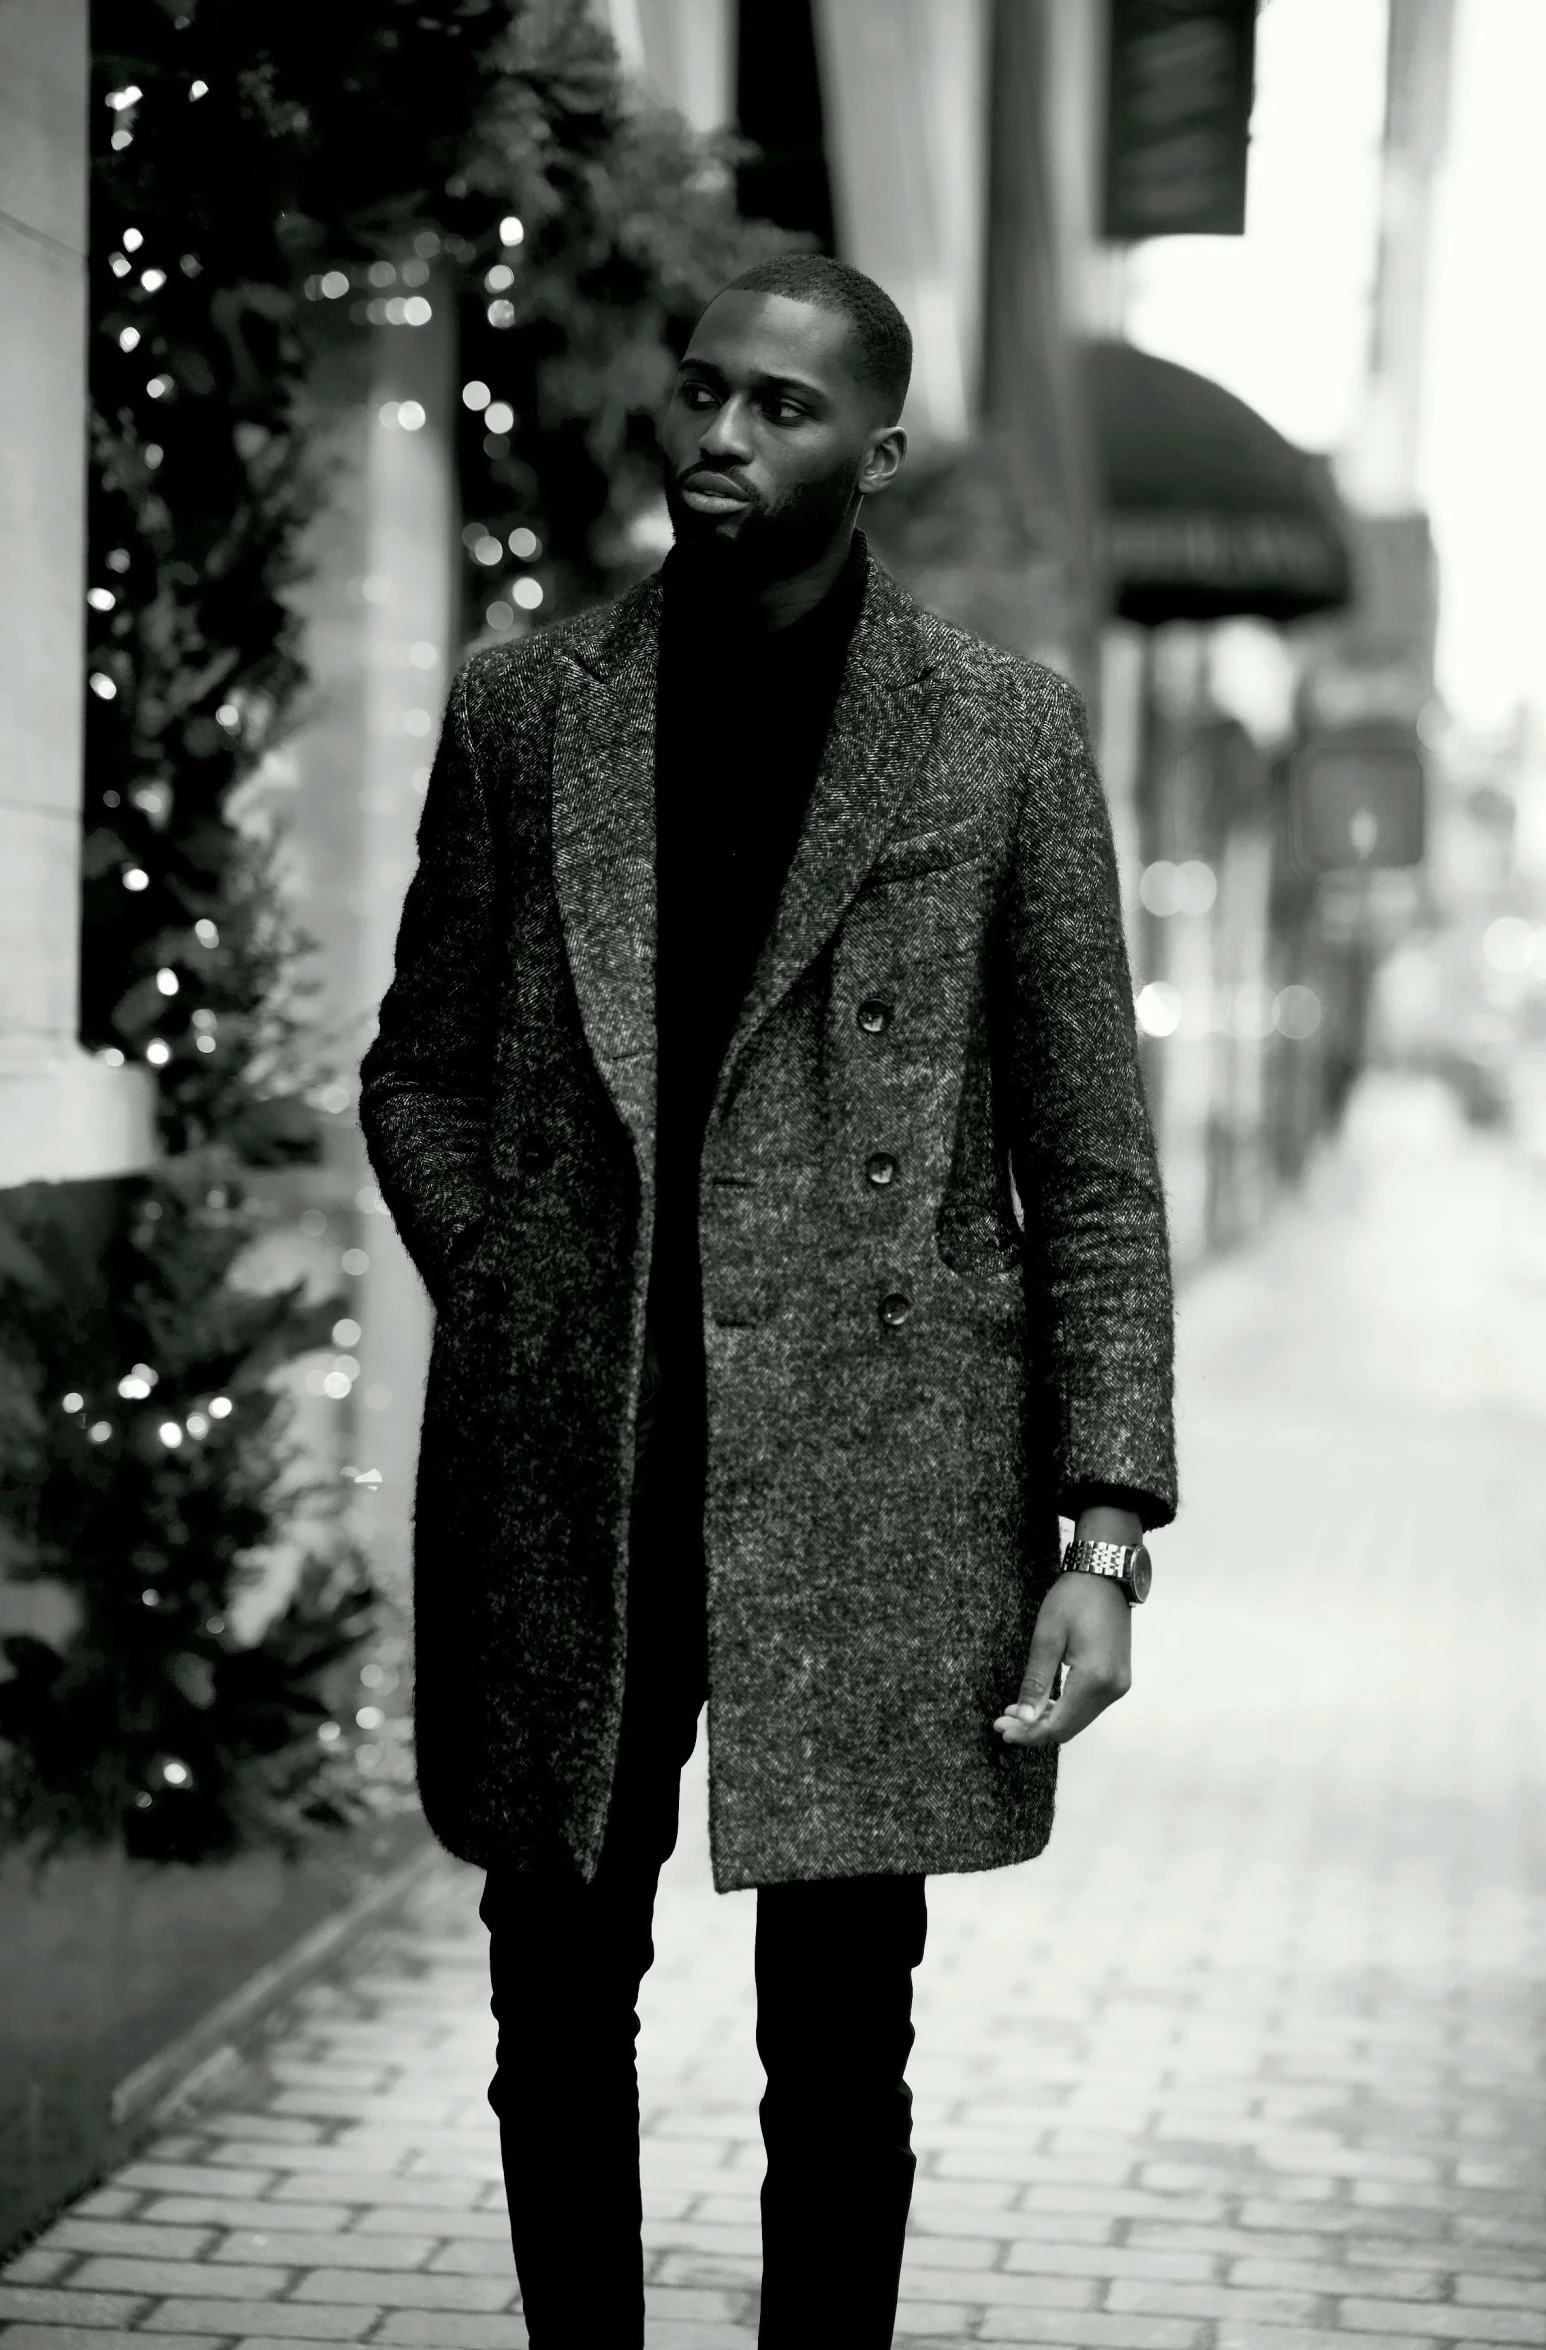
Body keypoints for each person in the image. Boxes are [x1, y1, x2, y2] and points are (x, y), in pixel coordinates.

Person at [360, 252, 1175, 2350]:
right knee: (553, 1993)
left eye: (782, 407)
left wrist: (1106, 1529)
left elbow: (1086, 1159)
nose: (723, 435)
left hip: (869, 1477)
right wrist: (524, 1277)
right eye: (706, 393)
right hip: (586, 1465)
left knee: (841, 2042)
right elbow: (419, 1064)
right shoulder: (533, 704)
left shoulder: (998, 734)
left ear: (876, 447)